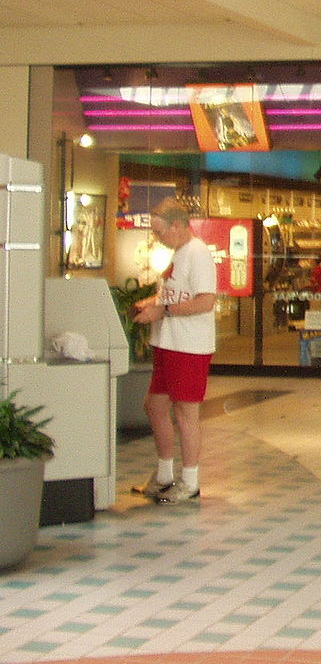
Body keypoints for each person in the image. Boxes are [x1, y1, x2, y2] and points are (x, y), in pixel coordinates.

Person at [131, 198, 217, 504]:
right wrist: (154, 303)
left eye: (159, 231)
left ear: (177, 226)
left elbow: (206, 301)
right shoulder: (177, 254)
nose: (157, 237)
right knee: (155, 406)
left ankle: (190, 480)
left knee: (185, 412)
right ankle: (165, 473)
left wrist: (163, 311)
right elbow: (171, 292)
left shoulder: (198, 254)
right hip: (167, 343)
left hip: (188, 346)